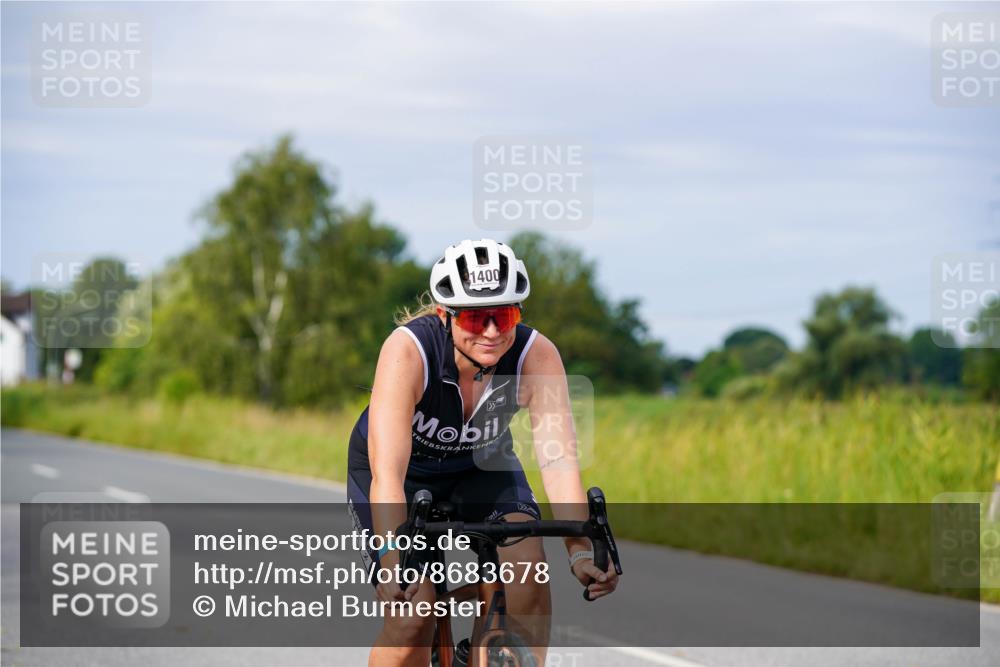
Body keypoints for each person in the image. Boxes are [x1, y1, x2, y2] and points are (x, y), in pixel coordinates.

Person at [347, 238, 619, 666]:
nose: (492, 331)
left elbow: (557, 457)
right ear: (445, 314)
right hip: (403, 476)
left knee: (527, 573)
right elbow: (388, 476)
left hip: (481, 466)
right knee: (413, 616)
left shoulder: (535, 354)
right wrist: (390, 559)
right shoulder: (409, 351)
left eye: (504, 315)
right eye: (475, 318)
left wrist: (580, 549)